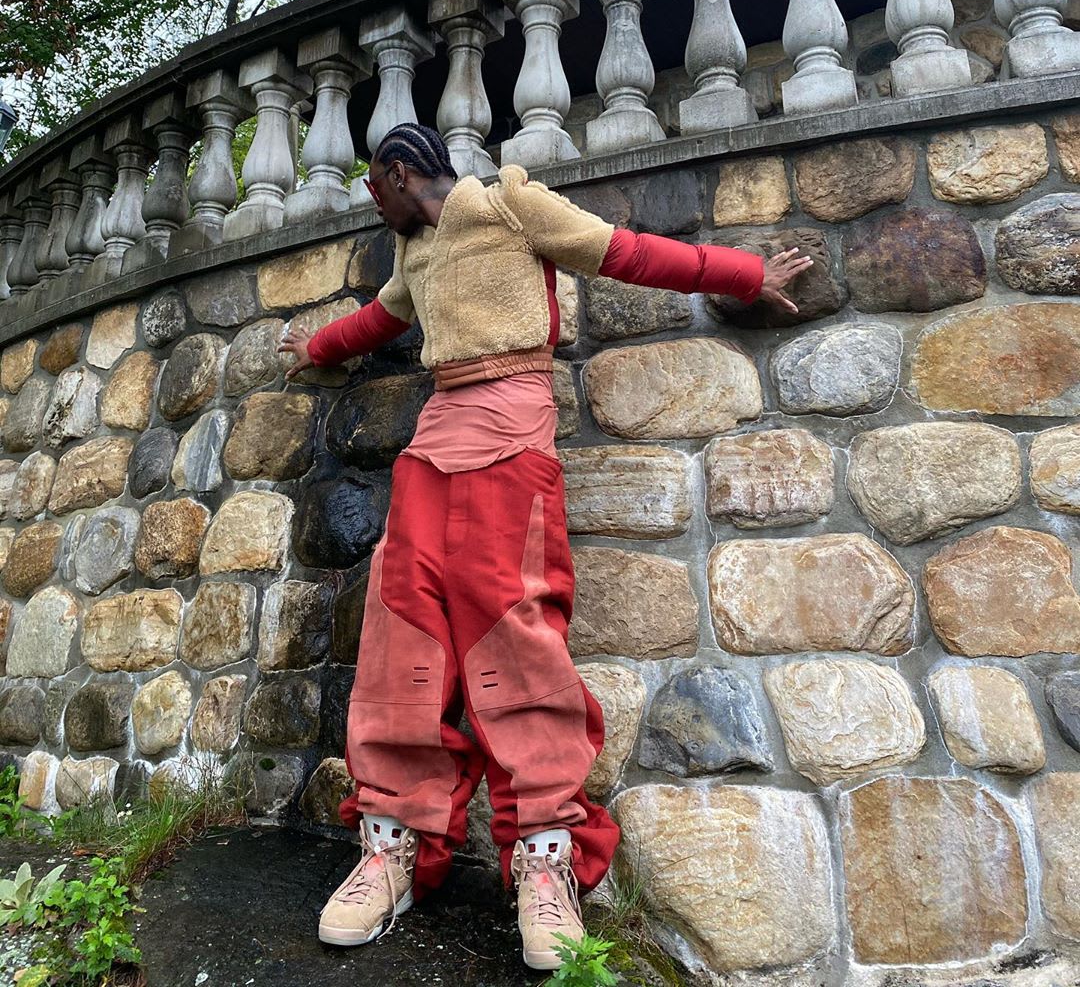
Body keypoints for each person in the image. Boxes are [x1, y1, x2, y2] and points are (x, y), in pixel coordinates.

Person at [277, 123, 812, 971]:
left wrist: (747, 274)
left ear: (399, 170)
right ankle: (395, 845)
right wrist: (310, 348)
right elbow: (377, 323)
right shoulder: (416, 256)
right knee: (398, 627)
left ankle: (544, 857)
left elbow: (623, 251)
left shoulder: (510, 205)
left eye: (372, 188)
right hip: (433, 439)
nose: (371, 204)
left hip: (512, 431)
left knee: (512, 627)